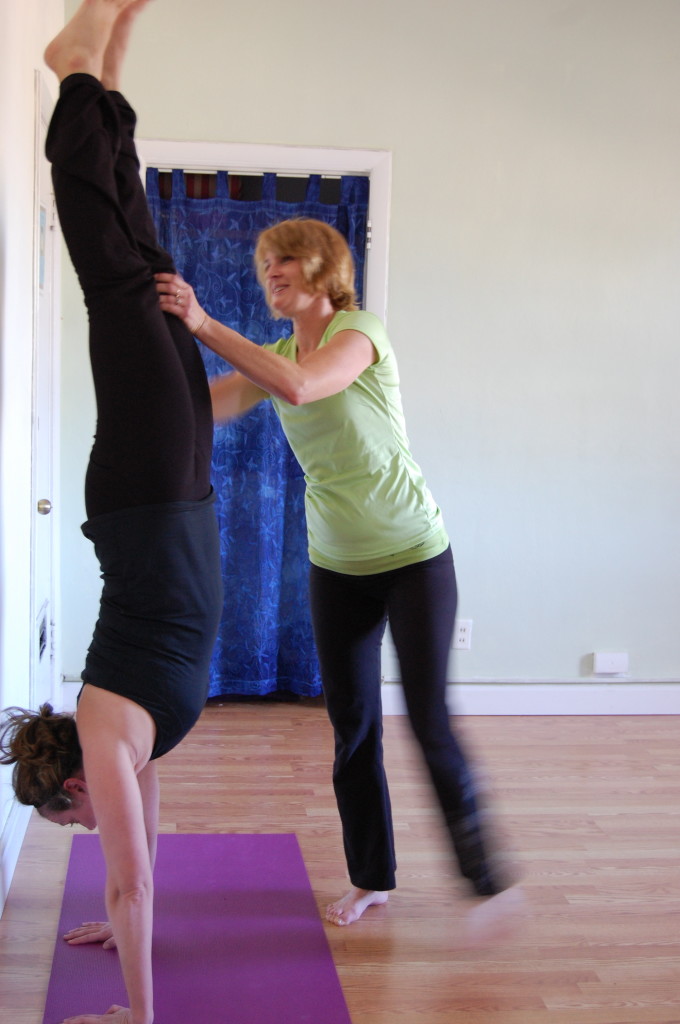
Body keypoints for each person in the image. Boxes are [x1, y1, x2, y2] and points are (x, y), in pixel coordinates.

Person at [155, 217, 514, 928]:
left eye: (285, 258)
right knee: (352, 728)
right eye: (264, 265)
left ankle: (485, 876)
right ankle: (371, 878)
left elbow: (297, 387)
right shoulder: (277, 353)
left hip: (414, 555)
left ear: (323, 266)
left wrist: (200, 321)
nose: (271, 272)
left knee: (429, 718)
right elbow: (209, 406)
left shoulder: (361, 334)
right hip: (337, 564)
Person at [0, 3, 222, 1022]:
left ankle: (69, 79)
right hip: (172, 501)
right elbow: (142, 859)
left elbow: (127, 876)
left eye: (73, 826)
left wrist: (138, 1012)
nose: (94, 830)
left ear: (68, 791)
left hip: (142, 497)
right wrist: (124, 911)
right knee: (157, 279)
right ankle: (112, 44)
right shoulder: (131, 750)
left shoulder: (104, 733)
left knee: (119, 287)